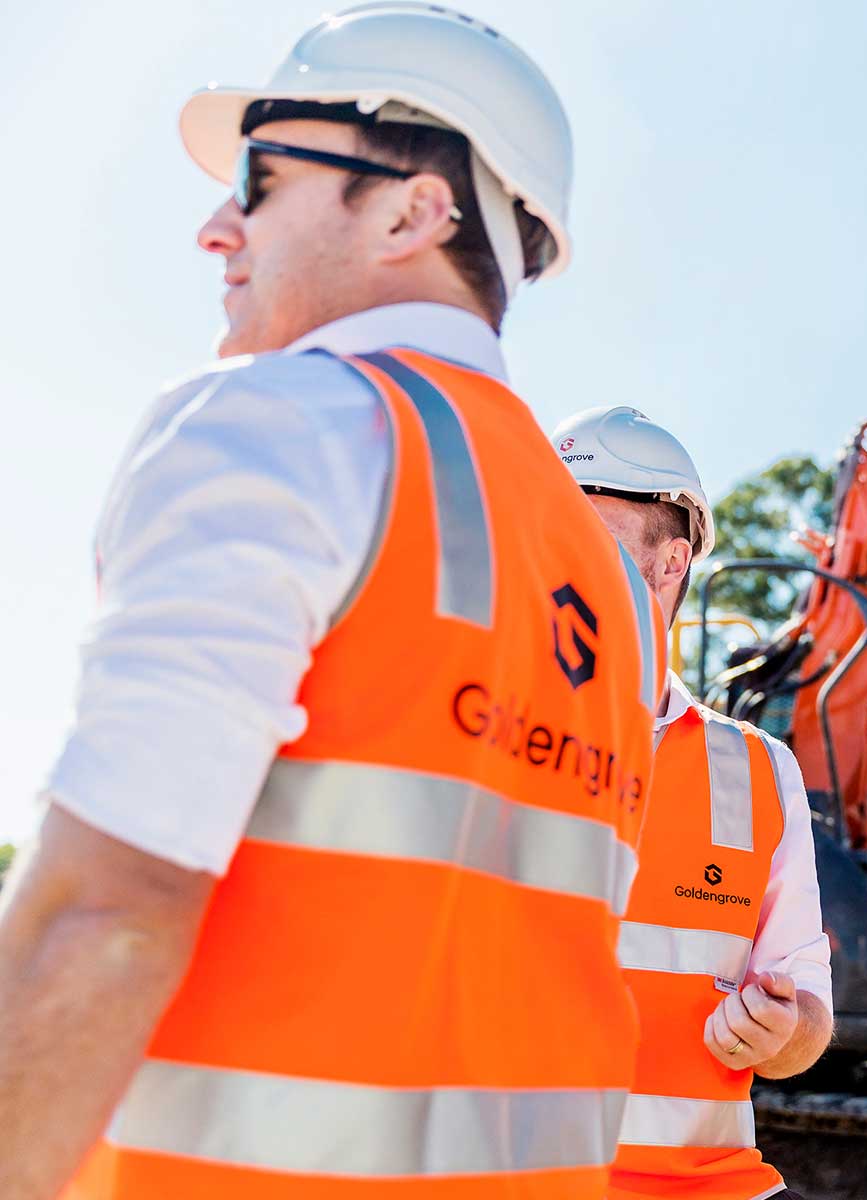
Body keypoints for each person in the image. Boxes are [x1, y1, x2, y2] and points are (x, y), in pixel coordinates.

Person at [0, 7, 664, 1196]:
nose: (216, 228)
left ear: (413, 209)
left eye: (261, 178)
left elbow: (102, 913)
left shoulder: (282, 426)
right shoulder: (608, 586)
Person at [551, 407, 833, 1200]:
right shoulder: (471, 730)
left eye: (588, 536)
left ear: (669, 562)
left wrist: (780, 1029)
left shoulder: (759, 772)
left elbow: (805, 1018)